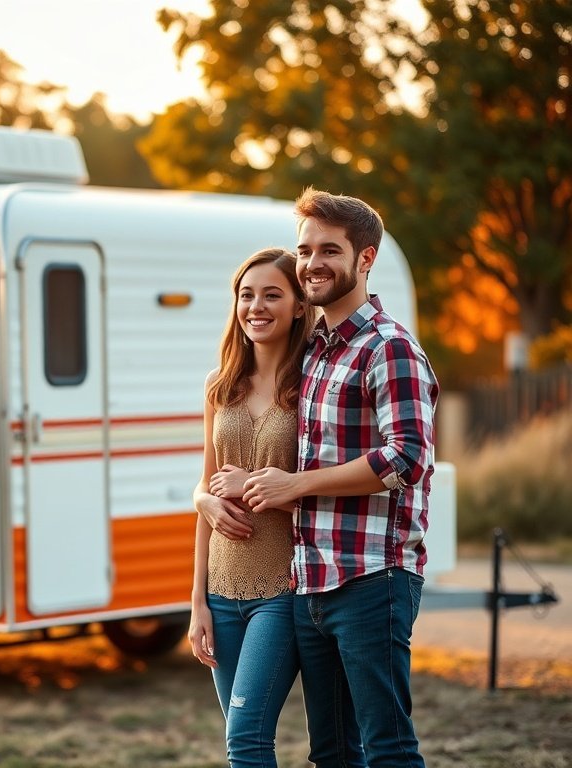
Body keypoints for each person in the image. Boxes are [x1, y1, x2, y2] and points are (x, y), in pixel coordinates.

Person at [242, 188, 439, 767]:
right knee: (330, 753)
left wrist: (296, 485)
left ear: (366, 258)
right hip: (311, 586)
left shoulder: (390, 348)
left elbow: (404, 459)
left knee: (388, 749)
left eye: (330, 250)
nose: (312, 264)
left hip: (373, 580)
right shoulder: (318, 351)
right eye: (304, 251)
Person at [190, 247, 314, 767]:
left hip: (280, 589)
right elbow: (205, 487)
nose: (256, 306)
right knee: (244, 737)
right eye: (246, 295)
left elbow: (320, 491)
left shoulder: (311, 385)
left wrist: (251, 488)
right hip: (220, 589)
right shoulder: (220, 386)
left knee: (244, 737)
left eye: (272, 295)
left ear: (299, 307)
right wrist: (197, 602)